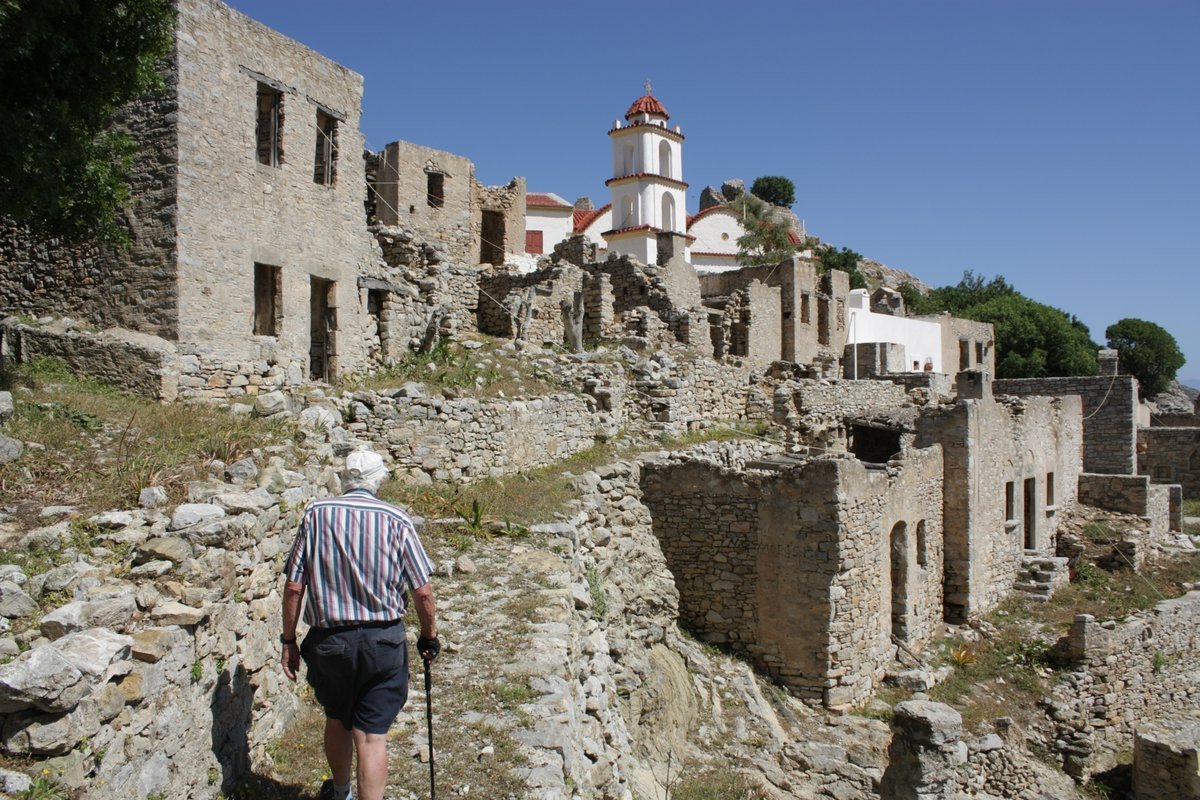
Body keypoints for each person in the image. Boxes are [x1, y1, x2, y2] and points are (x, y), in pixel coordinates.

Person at [281, 449, 439, 800]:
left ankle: (340, 793)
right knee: (371, 735)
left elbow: (294, 585)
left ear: (343, 478)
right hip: (383, 641)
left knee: (337, 716)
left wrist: (288, 639)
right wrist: (429, 636)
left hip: (329, 641)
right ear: (379, 480)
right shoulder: (396, 518)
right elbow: (423, 593)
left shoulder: (316, 513)